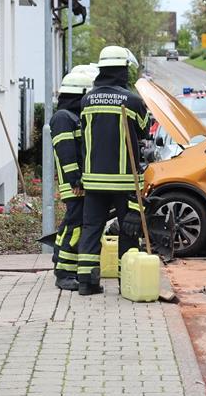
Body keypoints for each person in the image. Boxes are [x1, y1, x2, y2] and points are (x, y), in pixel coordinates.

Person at [76, 45, 150, 295]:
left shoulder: (86, 100)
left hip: (93, 180)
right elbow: (143, 131)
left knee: (91, 228)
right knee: (128, 229)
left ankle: (86, 281)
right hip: (124, 182)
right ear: (122, 70)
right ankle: (125, 282)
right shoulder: (133, 101)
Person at [50, 71, 94, 291]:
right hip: (74, 184)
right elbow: (66, 151)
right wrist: (75, 180)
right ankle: (64, 273)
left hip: (78, 182)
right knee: (75, 226)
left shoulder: (71, 116)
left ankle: (60, 260)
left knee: (70, 223)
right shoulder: (63, 118)